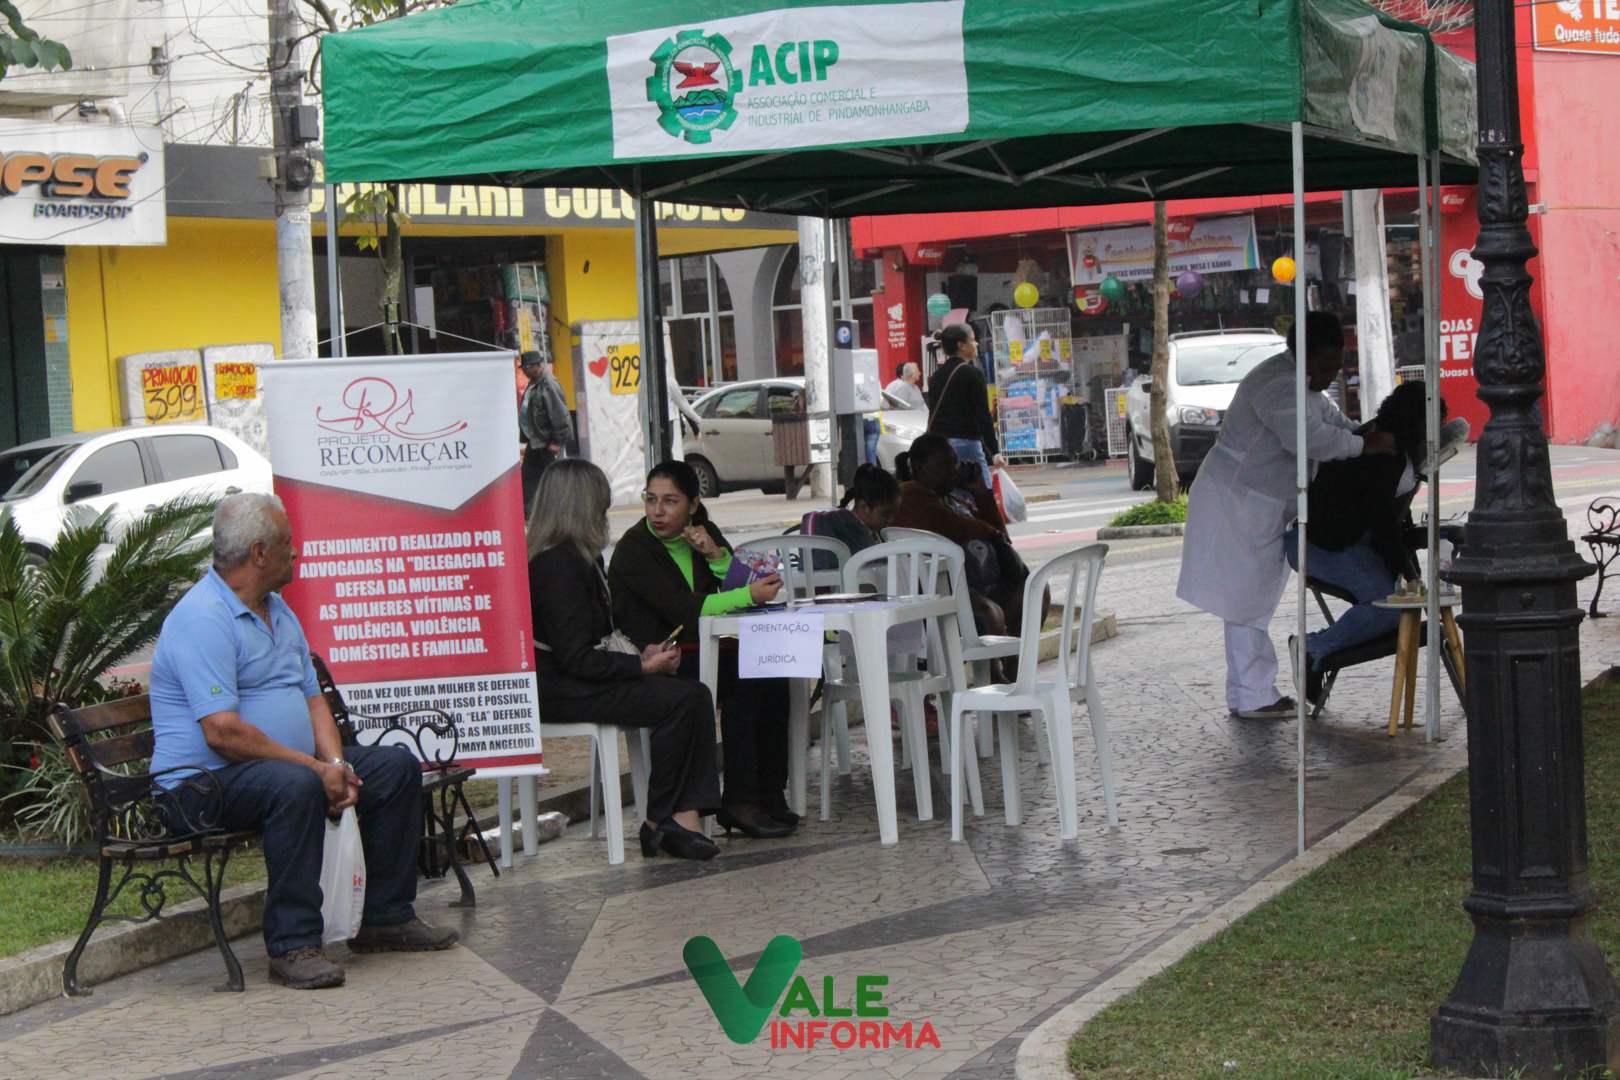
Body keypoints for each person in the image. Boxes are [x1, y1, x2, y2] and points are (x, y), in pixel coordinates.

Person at [149, 493, 458, 991]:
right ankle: (293, 944)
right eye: (287, 543)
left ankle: (385, 917)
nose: (296, 551)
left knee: (394, 769)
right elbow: (222, 733)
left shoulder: (278, 611)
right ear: (258, 553)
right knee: (295, 786)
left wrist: (336, 765)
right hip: (198, 785)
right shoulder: (203, 618)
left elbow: (314, 701)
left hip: (276, 769)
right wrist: (315, 771)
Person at [1176, 312, 1397, 720]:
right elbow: (1310, 438)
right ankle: (1254, 695)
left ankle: (1247, 693)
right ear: (1302, 355)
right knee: (1245, 602)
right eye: (1324, 367)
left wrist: (1364, 433)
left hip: (1258, 503)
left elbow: (1335, 423)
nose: (1328, 377)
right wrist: (1362, 447)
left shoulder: (1307, 387)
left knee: (1249, 601)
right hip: (1236, 500)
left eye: (1335, 368)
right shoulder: (1277, 384)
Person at [527, 459, 722, 860]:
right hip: (561, 689)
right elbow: (575, 659)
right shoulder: (556, 565)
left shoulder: (580, 557)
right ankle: (662, 820)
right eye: (601, 506)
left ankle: (675, 818)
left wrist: (641, 653)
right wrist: (641, 667)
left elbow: (595, 640)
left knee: (692, 693)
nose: (605, 515)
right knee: (680, 700)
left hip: (580, 679)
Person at [607, 461, 795, 839]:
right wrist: (748, 594)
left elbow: (743, 587)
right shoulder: (634, 549)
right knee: (745, 677)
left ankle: (768, 792)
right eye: (651, 499)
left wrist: (716, 555)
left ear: (693, 504)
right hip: (661, 660)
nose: (657, 511)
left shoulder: (703, 531)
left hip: (706, 649)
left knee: (771, 671)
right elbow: (686, 610)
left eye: (670, 501)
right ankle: (739, 799)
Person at [1285, 381, 1444, 700]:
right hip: (1317, 545)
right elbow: (1382, 521)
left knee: (1396, 603)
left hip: (1344, 540)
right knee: (1391, 605)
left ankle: (1319, 650)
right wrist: (1408, 577)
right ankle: (1313, 648)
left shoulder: (1386, 439)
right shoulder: (1384, 453)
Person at [892, 433, 1044, 642]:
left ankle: (1014, 660)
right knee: (989, 612)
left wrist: (981, 493)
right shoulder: (911, 493)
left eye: (955, 463)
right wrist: (992, 534)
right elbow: (954, 525)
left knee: (1036, 591)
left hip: (979, 584)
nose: (952, 470)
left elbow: (1002, 535)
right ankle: (997, 663)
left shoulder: (953, 499)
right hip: (941, 589)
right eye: (942, 464)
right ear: (919, 467)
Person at [925, 323, 1004, 486]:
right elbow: (983, 415)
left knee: (952, 493)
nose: (976, 344)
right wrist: (994, 451)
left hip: (941, 446)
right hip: (966, 444)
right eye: (973, 340)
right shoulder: (973, 374)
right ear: (961, 345)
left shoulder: (936, 376)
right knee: (982, 493)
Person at [801, 463, 902, 570]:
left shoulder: (841, 521)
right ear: (864, 507)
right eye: (885, 514)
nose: (891, 520)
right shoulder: (856, 532)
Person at [519, 351, 573, 511]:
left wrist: (556, 442)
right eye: (523, 368)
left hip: (548, 443)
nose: (524, 371)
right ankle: (528, 514)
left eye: (527, 367)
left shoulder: (549, 384)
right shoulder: (534, 383)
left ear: (538, 365)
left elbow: (560, 415)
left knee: (554, 479)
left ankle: (563, 512)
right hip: (536, 441)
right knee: (528, 479)